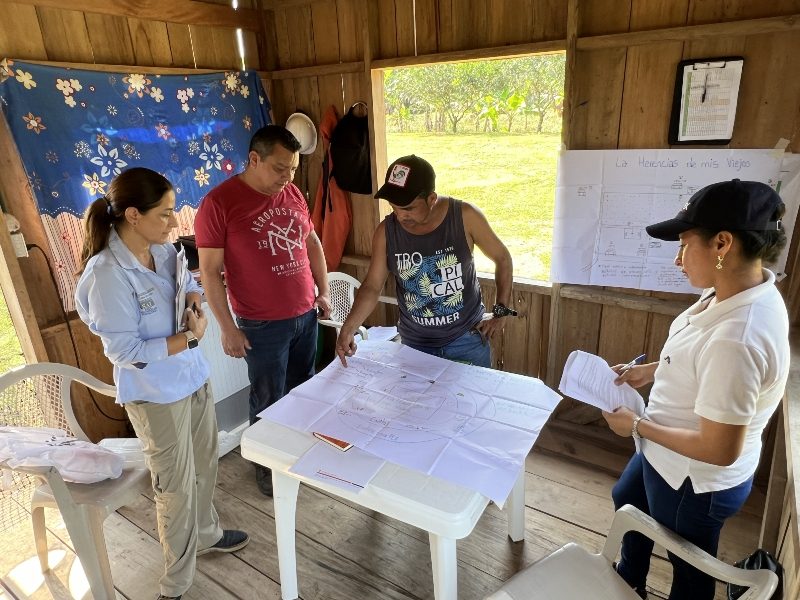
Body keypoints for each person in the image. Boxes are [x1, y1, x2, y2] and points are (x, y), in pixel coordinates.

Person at [602, 179, 789, 600]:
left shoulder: (737, 337)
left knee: (689, 567)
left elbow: (720, 448)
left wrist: (636, 426)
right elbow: (698, 361)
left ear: (722, 243)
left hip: (693, 480)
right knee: (627, 498)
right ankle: (630, 577)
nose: (677, 259)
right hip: (667, 455)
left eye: (685, 244)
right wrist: (650, 371)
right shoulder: (734, 292)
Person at [74, 168, 249, 600]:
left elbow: (187, 282)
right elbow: (124, 351)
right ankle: (176, 583)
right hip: (154, 395)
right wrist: (187, 337)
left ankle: (206, 535)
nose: (175, 224)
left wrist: (194, 301)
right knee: (174, 488)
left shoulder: (165, 251)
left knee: (206, 468)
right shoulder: (107, 274)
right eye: (166, 214)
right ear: (133, 215)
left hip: (192, 378)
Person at [194, 125, 331, 497]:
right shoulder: (220, 203)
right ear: (254, 159)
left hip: (305, 314)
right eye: (279, 168)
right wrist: (227, 328)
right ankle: (267, 467)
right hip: (261, 322)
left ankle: (299, 453)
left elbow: (311, 241)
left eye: (292, 170)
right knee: (269, 397)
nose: (286, 178)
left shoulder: (291, 194)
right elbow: (209, 272)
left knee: (304, 388)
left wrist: (322, 290)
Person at [335, 154, 514, 368]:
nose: (401, 216)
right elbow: (372, 286)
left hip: (466, 339)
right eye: (394, 207)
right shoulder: (386, 232)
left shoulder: (465, 217)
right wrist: (348, 328)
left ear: (431, 199)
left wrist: (501, 311)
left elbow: (502, 258)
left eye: (409, 208)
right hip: (415, 345)